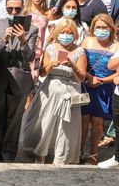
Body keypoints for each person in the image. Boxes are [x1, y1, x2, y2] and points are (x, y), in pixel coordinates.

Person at [21, 19, 87, 165]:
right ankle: (41, 155)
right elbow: (43, 73)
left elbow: (82, 78)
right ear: (58, 33)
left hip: (71, 93)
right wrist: (51, 64)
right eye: (63, 32)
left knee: (66, 127)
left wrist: (73, 66)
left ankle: (60, 159)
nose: (66, 35)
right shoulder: (51, 48)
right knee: (45, 123)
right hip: (50, 90)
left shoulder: (80, 51)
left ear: (75, 35)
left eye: (69, 33)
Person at [0, 0, 38, 163]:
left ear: (23, 9)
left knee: (14, 119)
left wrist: (22, 40)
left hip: (19, 78)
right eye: (10, 8)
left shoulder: (32, 29)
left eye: (17, 9)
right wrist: (4, 39)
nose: (13, 12)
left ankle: (9, 153)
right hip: (0, 75)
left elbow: (30, 56)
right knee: (0, 115)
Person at [80, 15, 118, 165]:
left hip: (104, 87)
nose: (101, 30)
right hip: (87, 84)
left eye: (104, 28)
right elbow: (80, 62)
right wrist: (89, 77)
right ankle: (79, 150)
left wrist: (101, 81)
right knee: (83, 120)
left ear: (111, 29)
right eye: (98, 27)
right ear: (93, 28)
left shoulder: (116, 46)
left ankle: (93, 154)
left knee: (97, 122)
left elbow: (118, 72)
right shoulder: (87, 41)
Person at [24, 0, 49, 82]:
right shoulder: (25, 12)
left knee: (36, 78)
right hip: (27, 50)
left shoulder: (48, 13)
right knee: (26, 80)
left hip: (41, 51)